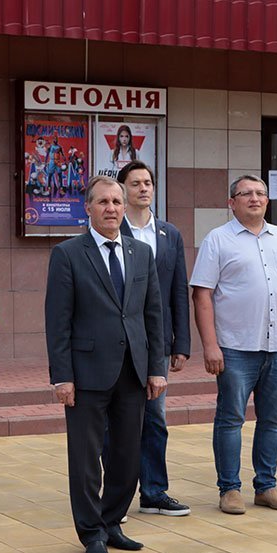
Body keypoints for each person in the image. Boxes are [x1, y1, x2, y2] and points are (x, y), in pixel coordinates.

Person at [45, 175, 166, 553]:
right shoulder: (67, 254)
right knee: (85, 457)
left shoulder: (140, 253)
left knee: (128, 455)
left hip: (133, 370)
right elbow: (58, 321)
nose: (111, 208)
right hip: (86, 373)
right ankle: (91, 531)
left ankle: (113, 522)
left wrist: (157, 368)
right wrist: (62, 376)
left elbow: (153, 315)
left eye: (116, 202)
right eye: (103, 202)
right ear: (89, 208)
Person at [190, 175, 277, 515]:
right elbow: (202, 294)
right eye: (246, 194)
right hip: (234, 347)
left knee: (274, 420)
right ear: (232, 202)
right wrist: (210, 345)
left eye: (261, 193)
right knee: (230, 419)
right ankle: (229, 488)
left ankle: (266, 486)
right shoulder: (218, 240)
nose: (255, 199)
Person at [117, 161, 192, 516]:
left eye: (148, 182)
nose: (143, 189)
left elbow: (179, 289)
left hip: (156, 341)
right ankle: (114, 493)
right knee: (116, 418)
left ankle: (154, 491)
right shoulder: (112, 229)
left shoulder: (169, 234)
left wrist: (180, 344)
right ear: (122, 189)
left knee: (155, 418)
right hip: (119, 340)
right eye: (135, 183)